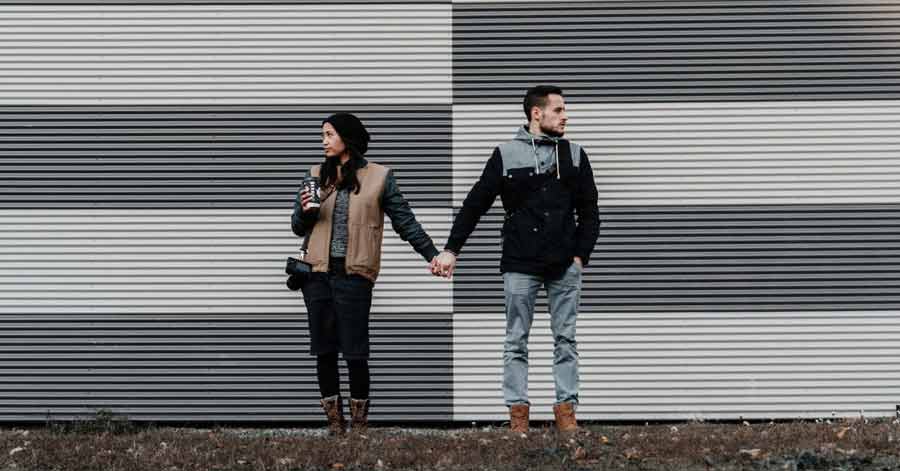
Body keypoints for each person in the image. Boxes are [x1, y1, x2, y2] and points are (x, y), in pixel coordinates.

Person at [432, 85, 600, 433]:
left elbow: (590, 212)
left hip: (564, 265)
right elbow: (474, 204)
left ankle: (567, 413)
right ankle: (518, 416)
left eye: (564, 110)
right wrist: (451, 249)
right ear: (536, 114)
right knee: (516, 339)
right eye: (558, 110)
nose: (565, 116)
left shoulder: (575, 155)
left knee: (565, 339)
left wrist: (580, 256)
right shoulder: (505, 154)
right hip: (519, 263)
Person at [292, 113, 440, 436]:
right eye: (323, 135)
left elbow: (406, 222)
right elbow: (296, 226)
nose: (324, 141)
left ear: (347, 138)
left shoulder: (380, 177)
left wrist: (432, 254)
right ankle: (335, 425)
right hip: (316, 277)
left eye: (329, 135)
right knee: (324, 351)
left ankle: (358, 427)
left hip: (355, 277)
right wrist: (304, 212)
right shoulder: (315, 175)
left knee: (356, 352)